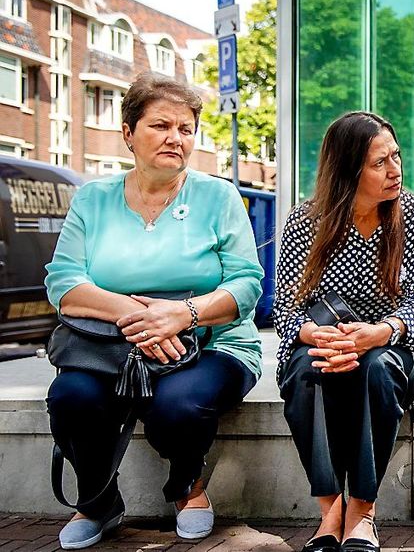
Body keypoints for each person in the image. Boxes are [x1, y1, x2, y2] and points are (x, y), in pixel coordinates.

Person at [44, 73, 264, 549]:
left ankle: (189, 487)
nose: (175, 138)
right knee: (71, 398)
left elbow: (247, 284)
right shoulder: (92, 198)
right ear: (128, 132)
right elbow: (63, 283)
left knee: (178, 404)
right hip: (109, 346)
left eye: (186, 129)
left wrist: (183, 314)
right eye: (161, 125)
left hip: (211, 342)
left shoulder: (218, 196)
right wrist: (139, 317)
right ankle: (99, 501)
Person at [273, 111, 414, 552]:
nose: (395, 170)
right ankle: (329, 511)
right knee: (304, 370)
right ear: (348, 169)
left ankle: (362, 512)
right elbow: (288, 308)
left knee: (377, 368)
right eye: (379, 163)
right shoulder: (306, 221)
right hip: (327, 345)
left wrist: (382, 331)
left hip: (398, 348)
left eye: (396, 156)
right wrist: (315, 335)